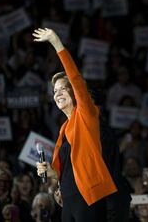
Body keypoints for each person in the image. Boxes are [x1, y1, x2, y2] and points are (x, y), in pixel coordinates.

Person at [34, 28, 117, 222]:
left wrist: (56, 42)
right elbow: (69, 169)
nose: (58, 93)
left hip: (87, 198)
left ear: (75, 93)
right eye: (55, 91)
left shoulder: (87, 115)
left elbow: (76, 79)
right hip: (68, 199)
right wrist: (51, 173)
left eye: (63, 88)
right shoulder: (64, 128)